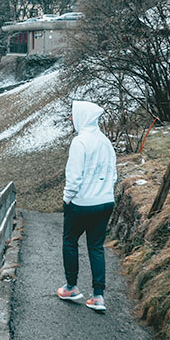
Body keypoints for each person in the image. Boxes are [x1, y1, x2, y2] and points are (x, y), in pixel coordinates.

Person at [57, 100, 117, 313]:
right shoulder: (105, 142)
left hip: (82, 203)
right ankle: (98, 296)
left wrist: (67, 199)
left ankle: (71, 287)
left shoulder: (80, 142)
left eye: (73, 115)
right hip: (105, 202)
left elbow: (73, 177)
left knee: (70, 241)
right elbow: (113, 173)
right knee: (96, 247)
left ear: (82, 117)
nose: (71, 119)